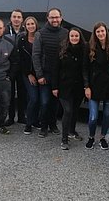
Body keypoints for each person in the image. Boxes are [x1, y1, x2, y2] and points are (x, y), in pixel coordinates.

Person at [84, 22, 109, 150]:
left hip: (108, 86)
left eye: (102, 31)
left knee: (106, 114)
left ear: (106, 32)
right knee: (93, 117)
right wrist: (86, 86)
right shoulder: (89, 47)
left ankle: (103, 137)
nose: (100, 33)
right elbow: (85, 68)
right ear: (95, 33)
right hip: (93, 86)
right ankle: (91, 137)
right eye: (98, 31)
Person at [32, 8, 68, 137]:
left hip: (59, 76)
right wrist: (39, 75)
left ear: (61, 18)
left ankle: (53, 125)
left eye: (57, 17)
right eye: (52, 17)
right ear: (47, 18)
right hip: (45, 75)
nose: (55, 20)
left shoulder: (66, 33)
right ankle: (43, 126)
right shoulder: (40, 34)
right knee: (45, 102)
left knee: (55, 103)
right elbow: (36, 55)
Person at [52, 28, 87, 150]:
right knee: (67, 111)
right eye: (72, 36)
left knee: (75, 110)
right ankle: (64, 139)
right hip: (64, 86)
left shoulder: (84, 50)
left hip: (78, 87)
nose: (74, 38)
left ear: (80, 37)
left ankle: (72, 131)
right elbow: (55, 69)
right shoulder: (62, 49)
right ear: (68, 37)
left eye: (76, 36)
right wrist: (54, 87)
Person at [18, 16, 42, 135]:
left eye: (32, 24)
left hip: (40, 72)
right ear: (25, 26)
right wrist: (28, 74)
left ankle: (36, 120)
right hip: (27, 74)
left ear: (36, 25)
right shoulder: (21, 39)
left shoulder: (40, 37)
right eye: (28, 24)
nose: (31, 26)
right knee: (33, 97)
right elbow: (20, 59)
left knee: (38, 98)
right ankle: (28, 123)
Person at [4, 9, 27, 126]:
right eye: (14, 17)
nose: (16, 19)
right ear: (11, 18)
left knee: (23, 93)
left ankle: (22, 116)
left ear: (22, 19)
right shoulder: (5, 31)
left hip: (22, 67)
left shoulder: (26, 30)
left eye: (19, 17)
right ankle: (11, 117)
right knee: (10, 93)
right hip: (10, 67)